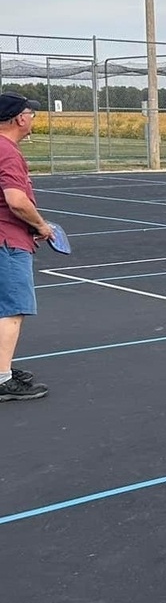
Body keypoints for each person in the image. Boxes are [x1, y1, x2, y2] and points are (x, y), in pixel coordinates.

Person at [0, 92, 53, 402]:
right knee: (12, 310)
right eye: (30, 114)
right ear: (20, 118)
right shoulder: (8, 152)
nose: (32, 119)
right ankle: (3, 379)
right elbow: (17, 200)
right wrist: (41, 226)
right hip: (7, 241)